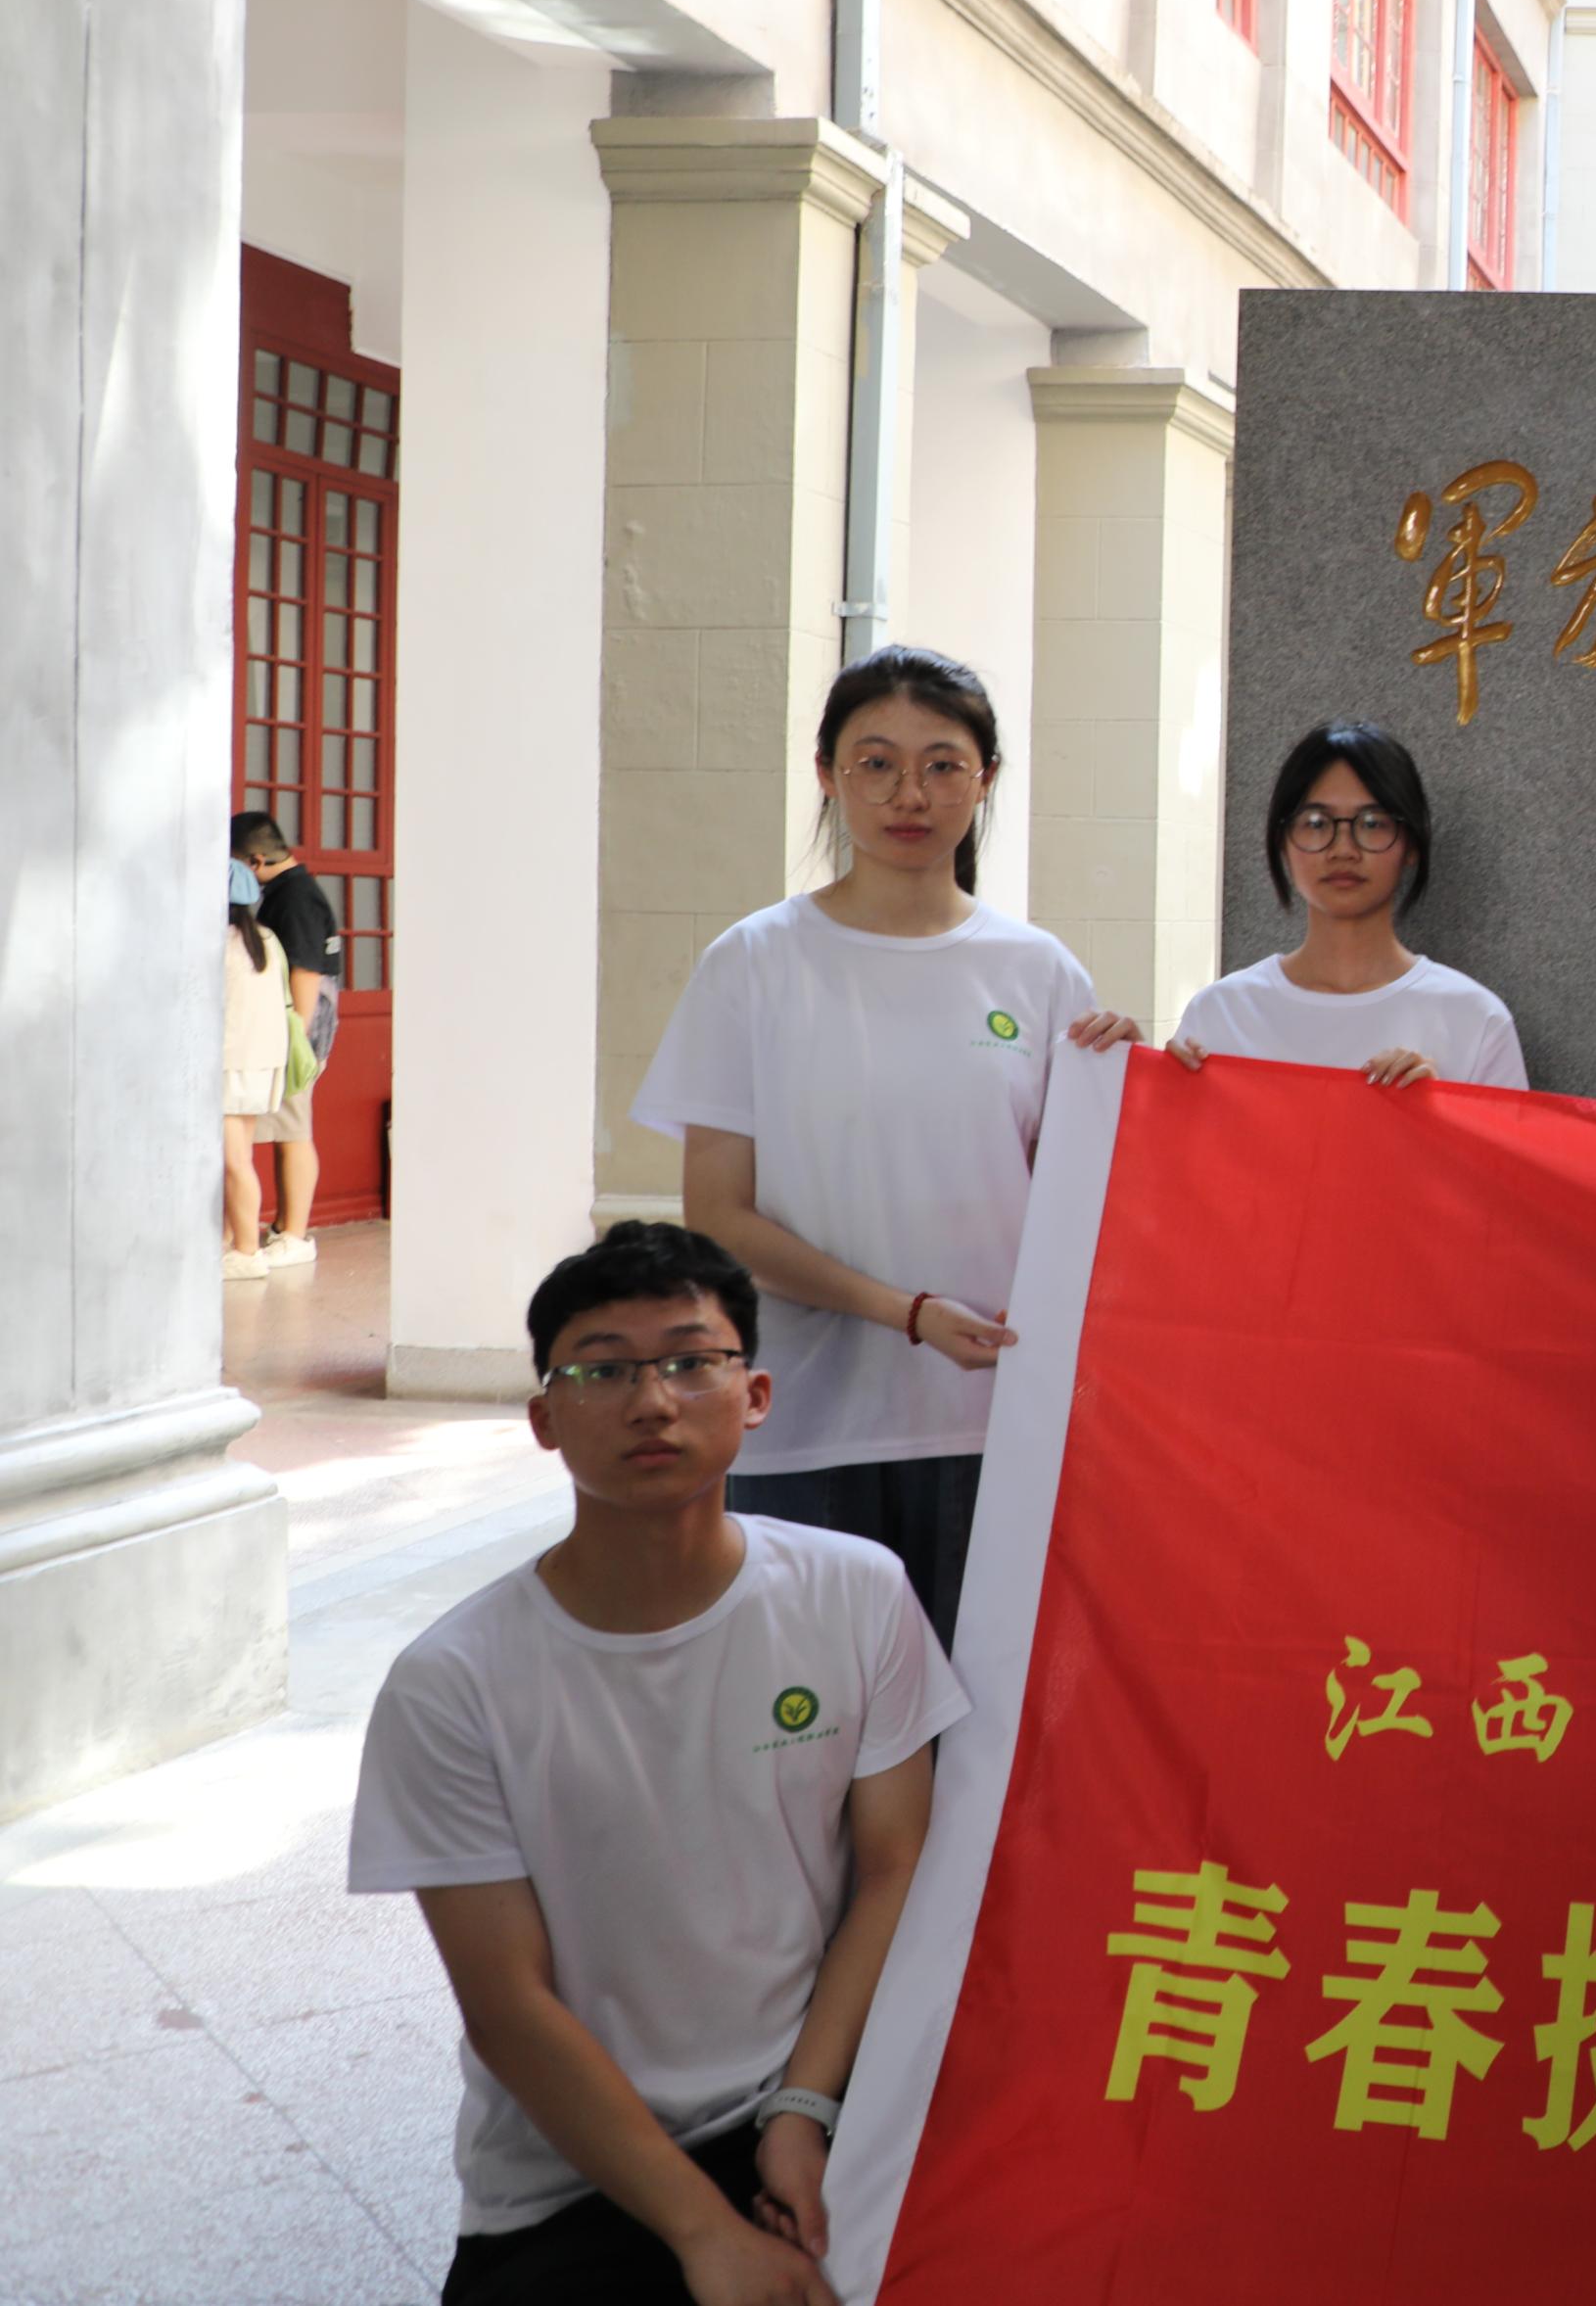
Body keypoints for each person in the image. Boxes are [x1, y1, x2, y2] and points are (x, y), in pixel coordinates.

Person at [349, 1222, 965, 2306]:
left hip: (819, 2105)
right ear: (544, 1419)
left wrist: (803, 2109)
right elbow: (507, 2004)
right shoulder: (453, 1681)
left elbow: (894, 1866)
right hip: (578, 2171)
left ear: (755, 1395)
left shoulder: (857, 1592)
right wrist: (702, 2231)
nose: (652, 1401)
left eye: (691, 1361)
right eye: (603, 1370)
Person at [633, 647, 1135, 1646]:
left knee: (975, 1710)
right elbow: (720, 1218)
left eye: (944, 765)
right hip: (802, 1424)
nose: (911, 794)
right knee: (809, 1709)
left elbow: (1089, 1202)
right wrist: (904, 1313)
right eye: (877, 764)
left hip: (994, 1421)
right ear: (826, 773)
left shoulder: (1039, 972)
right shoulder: (755, 963)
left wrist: (1145, 1082)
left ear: (986, 780)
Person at [1168, 722, 1524, 1089]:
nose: (1342, 849)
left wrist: (1438, 1112)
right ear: (1282, 841)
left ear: (1411, 844)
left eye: (1372, 823)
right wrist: (1149, 1084)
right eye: (1316, 823)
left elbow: (1501, 1132)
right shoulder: (1220, 1014)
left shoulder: (1475, 1021)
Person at [234, 809, 340, 1266]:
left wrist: (294, 1036)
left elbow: (306, 973)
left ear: (255, 861)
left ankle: (295, 1234)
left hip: (296, 1031)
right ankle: (284, 1227)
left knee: (293, 1129)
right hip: (289, 1028)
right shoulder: (290, 890)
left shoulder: (294, 897)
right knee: (285, 1129)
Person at [220, 861, 297, 1283]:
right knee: (237, 1159)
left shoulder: (219, 943)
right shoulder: (265, 939)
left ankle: (247, 1251)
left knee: (234, 1162)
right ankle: (228, 1241)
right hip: (260, 1064)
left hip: (230, 1064)